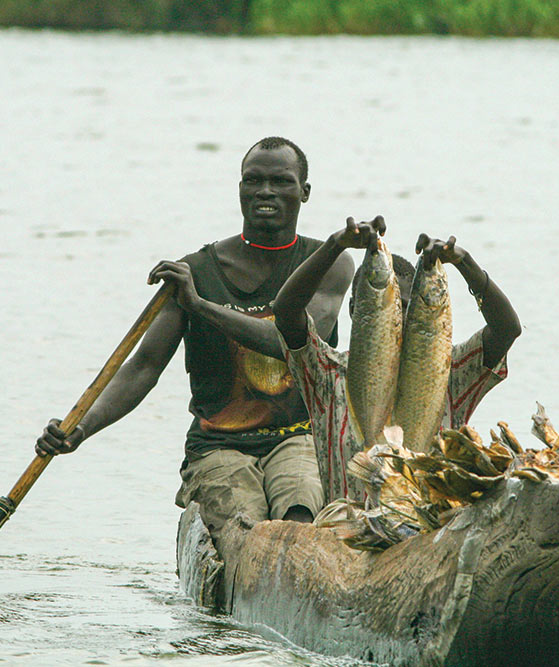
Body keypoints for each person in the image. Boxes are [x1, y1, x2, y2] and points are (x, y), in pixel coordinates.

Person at [35, 137, 355, 547]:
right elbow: (143, 368)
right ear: (239, 188)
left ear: (304, 192)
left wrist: (200, 306)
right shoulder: (195, 271)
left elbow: (291, 341)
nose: (265, 192)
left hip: (298, 438)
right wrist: (78, 430)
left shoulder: (328, 264)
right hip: (219, 445)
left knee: (299, 514)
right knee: (245, 532)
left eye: (281, 181)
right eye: (253, 181)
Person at [272, 216, 522, 503]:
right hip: (345, 534)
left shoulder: (447, 372)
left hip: (426, 531)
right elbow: (286, 312)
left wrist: (463, 262)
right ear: (355, 309)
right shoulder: (327, 374)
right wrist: (336, 244)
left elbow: (507, 330)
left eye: (407, 309)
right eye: (392, 306)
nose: (399, 319)